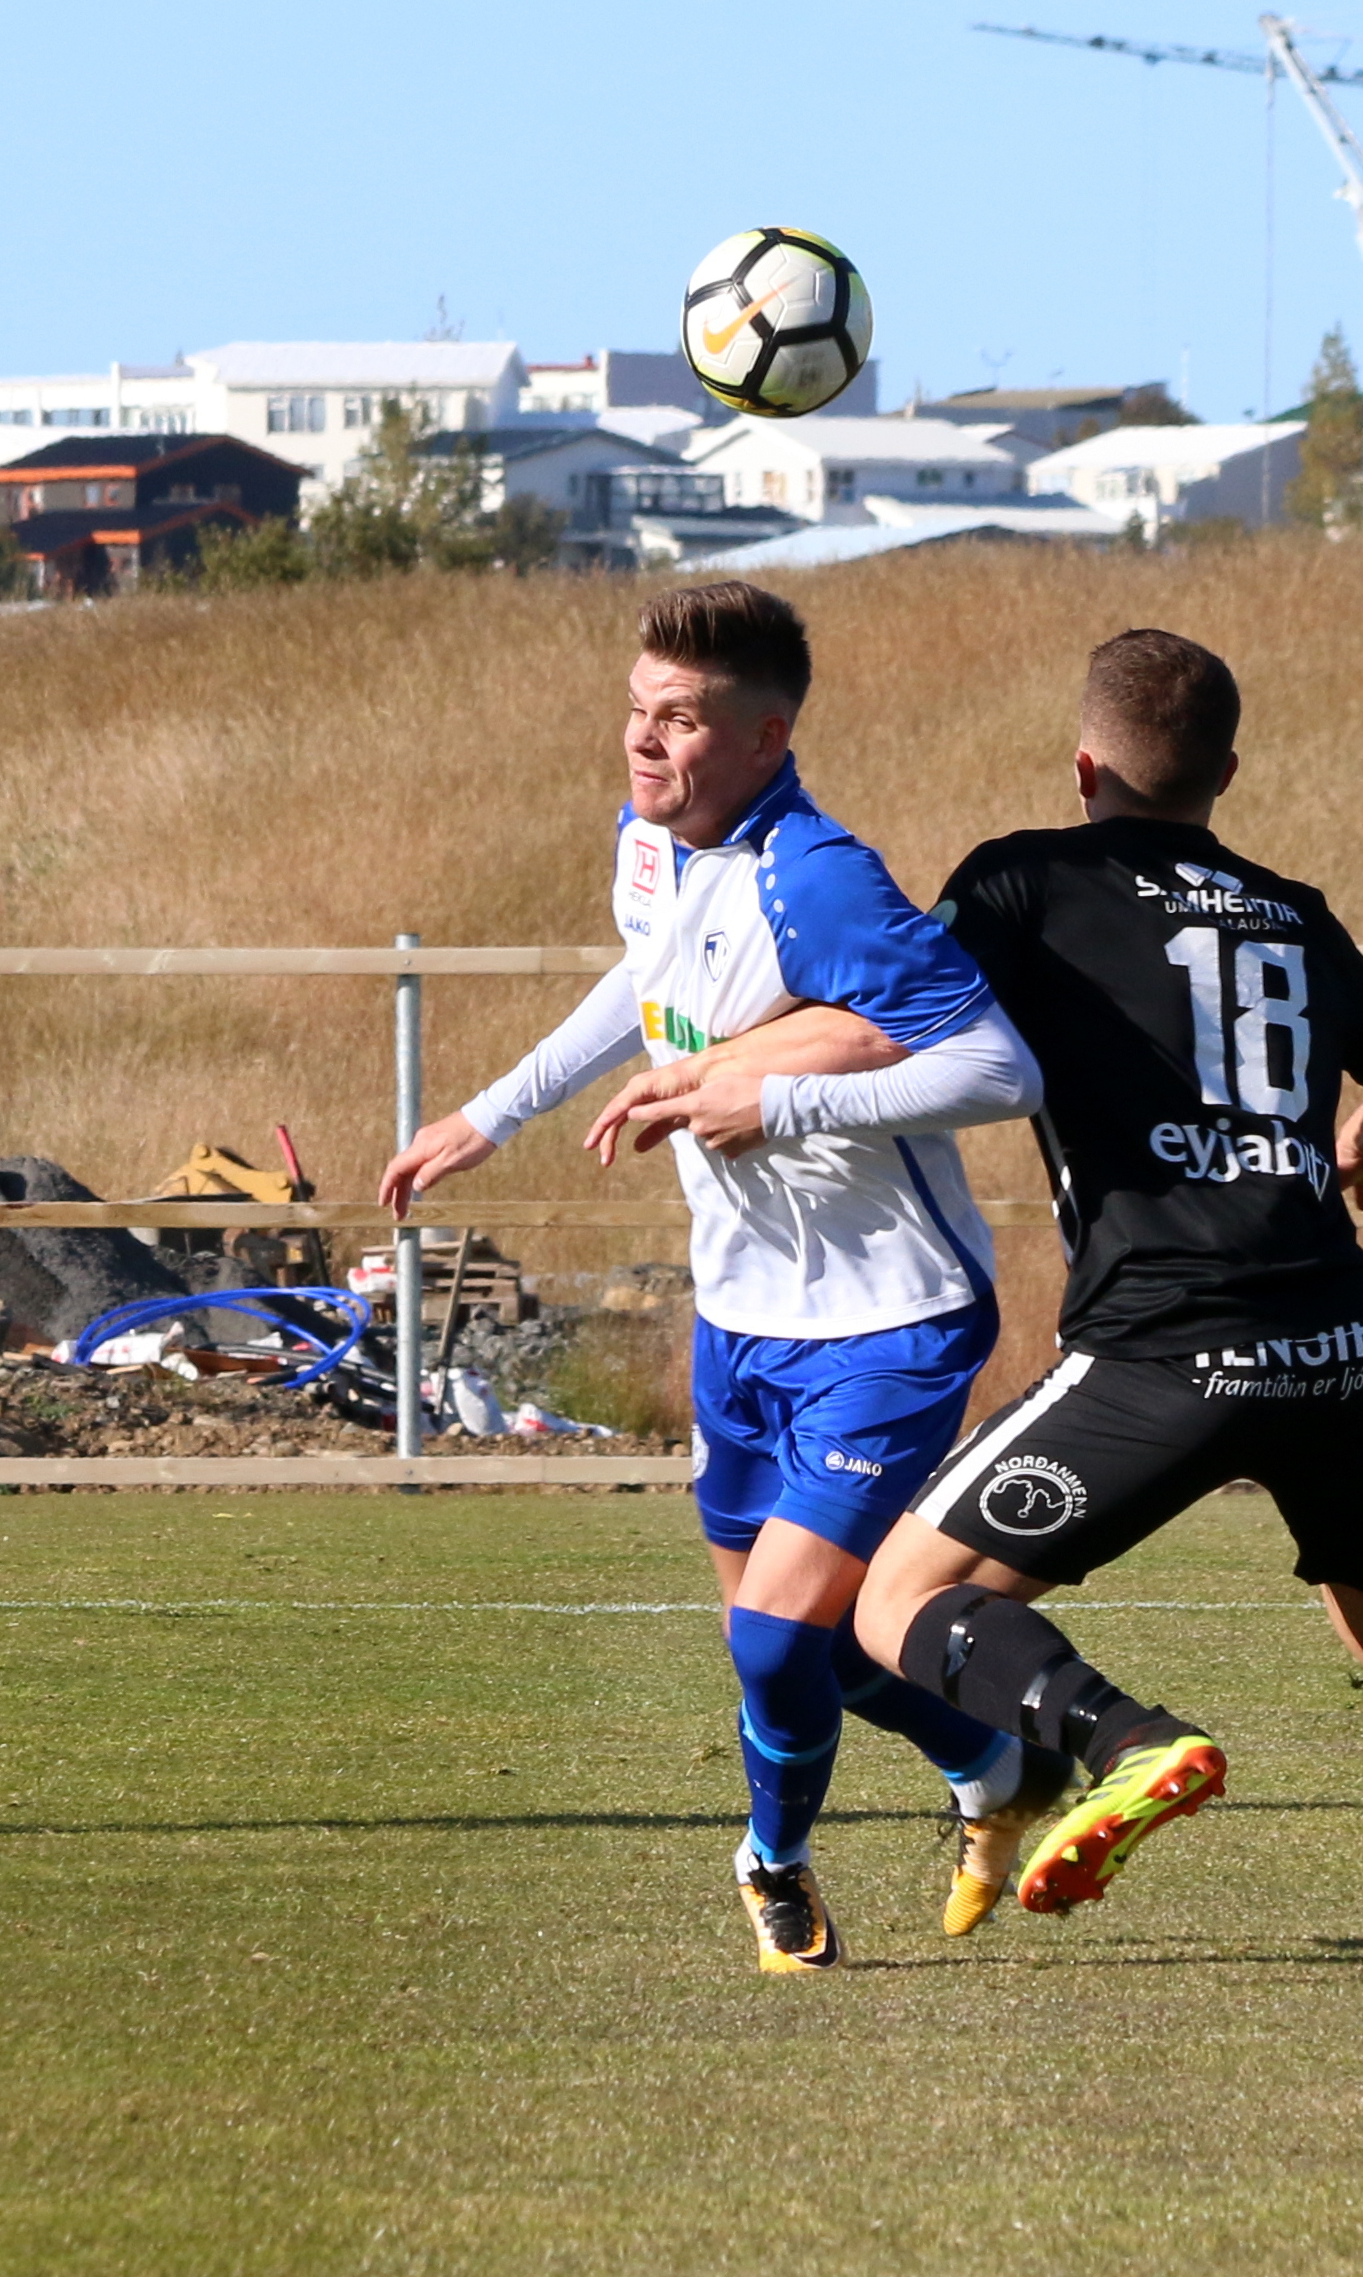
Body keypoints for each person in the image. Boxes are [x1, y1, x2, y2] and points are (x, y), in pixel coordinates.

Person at [801, 627, 1363, 1972]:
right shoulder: (1290, 909)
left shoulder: (1024, 878)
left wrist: (741, 1076)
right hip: (1336, 1346)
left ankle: (1124, 1741)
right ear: (1225, 774)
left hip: (1168, 1345)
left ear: (1082, 767)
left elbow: (898, 1018)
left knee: (896, 1599)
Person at [377, 580, 1067, 1975]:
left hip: (890, 1315)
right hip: (741, 1313)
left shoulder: (818, 880)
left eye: (682, 719)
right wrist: (493, 1112)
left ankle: (771, 1859)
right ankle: (997, 1767)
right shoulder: (646, 840)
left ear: (766, 736)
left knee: (769, 1639)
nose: (646, 740)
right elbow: (641, 975)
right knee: (809, 1645)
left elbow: (1003, 1068)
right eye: (638, 710)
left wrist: (784, 1099)